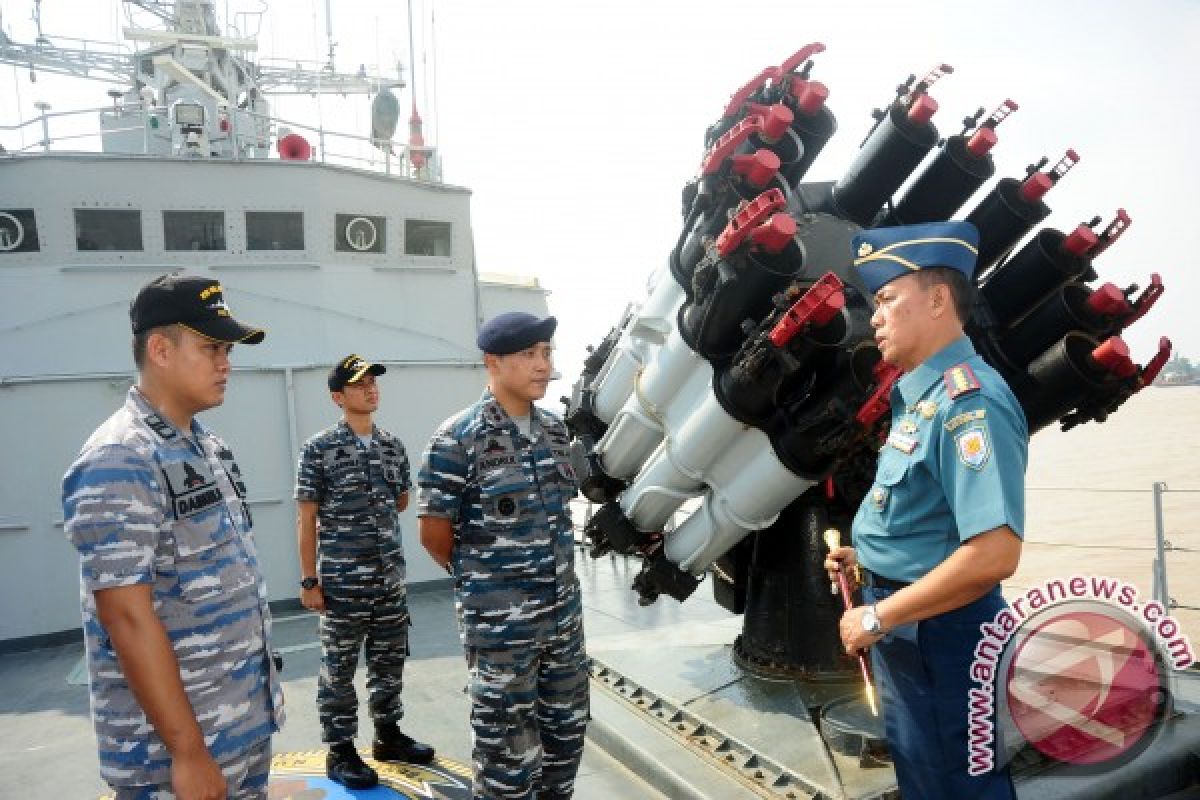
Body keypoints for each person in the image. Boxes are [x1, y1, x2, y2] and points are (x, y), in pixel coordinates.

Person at [62, 273, 284, 800]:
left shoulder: (207, 449)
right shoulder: (120, 457)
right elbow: (126, 616)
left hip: (239, 730)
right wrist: (188, 752)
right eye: (211, 347)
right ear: (160, 349)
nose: (226, 362)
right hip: (171, 758)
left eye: (227, 349)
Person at [824, 221, 1027, 800]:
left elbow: (993, 554)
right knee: (925, 780)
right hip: (912, 629)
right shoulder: (922, 398)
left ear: (938, 300)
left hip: (946, 637)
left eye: (887, 298)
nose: (875, 317)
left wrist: (877, 618)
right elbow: (930, 517)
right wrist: (866, 555)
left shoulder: (970, 402)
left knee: (961, 786)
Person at [417, 312, 589, 800]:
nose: (542, 365)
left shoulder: (555, 432)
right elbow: (435, 536)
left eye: (546, 353)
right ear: (493, 361)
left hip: (564, 628)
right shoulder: (457, 438)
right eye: (528, 354)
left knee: (564, 750)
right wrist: (487, 585)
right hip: (502, 636)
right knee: (506, 766)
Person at [294, 354, 435, 789]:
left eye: (373, 382)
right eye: (359, 385)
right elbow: (307, 518)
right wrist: (309, 581)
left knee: (388, 663)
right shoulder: (319, 450)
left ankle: (388, 736)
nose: (370, 389)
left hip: (389, 580)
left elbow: (401, 501)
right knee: (338, 669)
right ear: (339, 397)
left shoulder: (392, 445)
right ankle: (340, 750)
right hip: (342, 583)